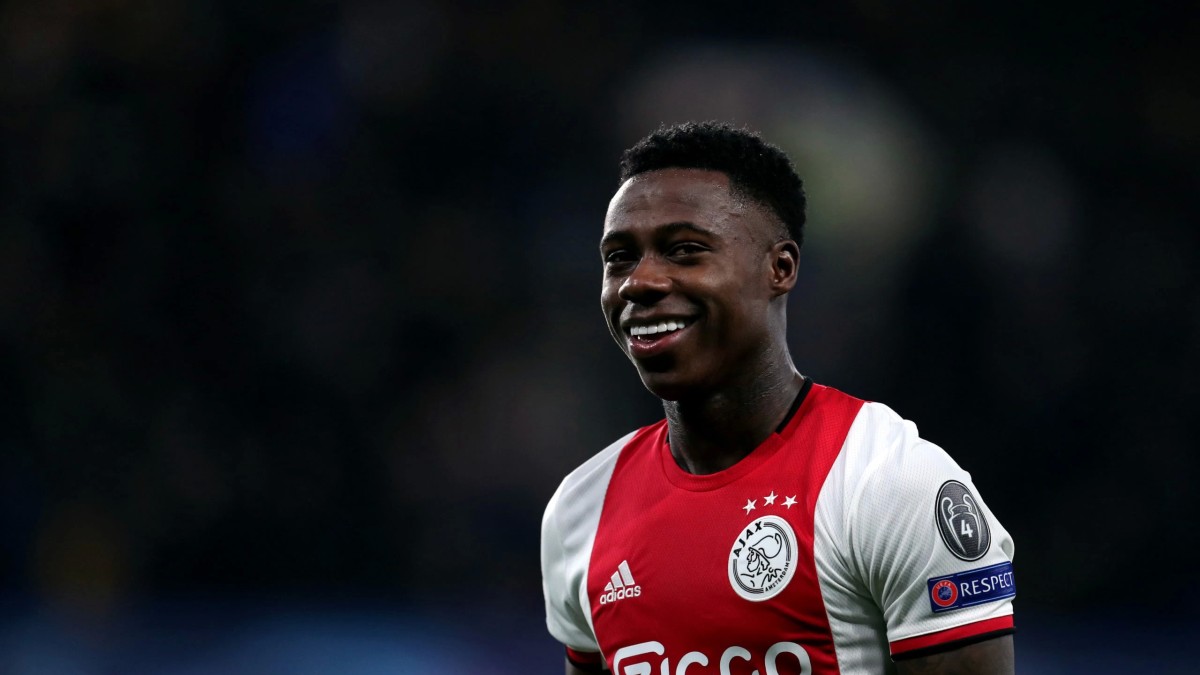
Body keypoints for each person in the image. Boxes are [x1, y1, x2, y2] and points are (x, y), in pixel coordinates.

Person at [540, 122, 1015, 675]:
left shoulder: (887, 483)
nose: (638, 282)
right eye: (620, 257)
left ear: (779, 268)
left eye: (685, 251)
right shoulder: (581, 510)